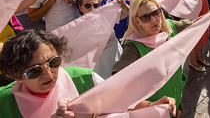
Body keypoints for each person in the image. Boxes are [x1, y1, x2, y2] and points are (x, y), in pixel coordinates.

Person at [0, 29, 177, 117]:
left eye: (53, 62)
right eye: (34, 71)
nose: (48, 74)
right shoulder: (3, 102)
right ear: (15, 75)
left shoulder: (84, 78)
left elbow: (121, 99)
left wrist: (153, 106)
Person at [112, 0, 195, 117]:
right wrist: (151, 106)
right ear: (137, 21)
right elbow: (117, 89)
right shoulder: (133, 47)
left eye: (156, 13)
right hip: (155, 110)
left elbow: (193, 25)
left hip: (175, 97)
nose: (154, 20)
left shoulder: (169, 27)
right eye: (145, 17)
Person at [76, 0, 127, 79]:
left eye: (96, 5)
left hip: (120, 67)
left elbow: (126, 13)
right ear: (80, 7)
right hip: (101, 76)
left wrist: (123, 5)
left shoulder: (106, 15)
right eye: (87, 5)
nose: (92, 9)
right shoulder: (77, 28)